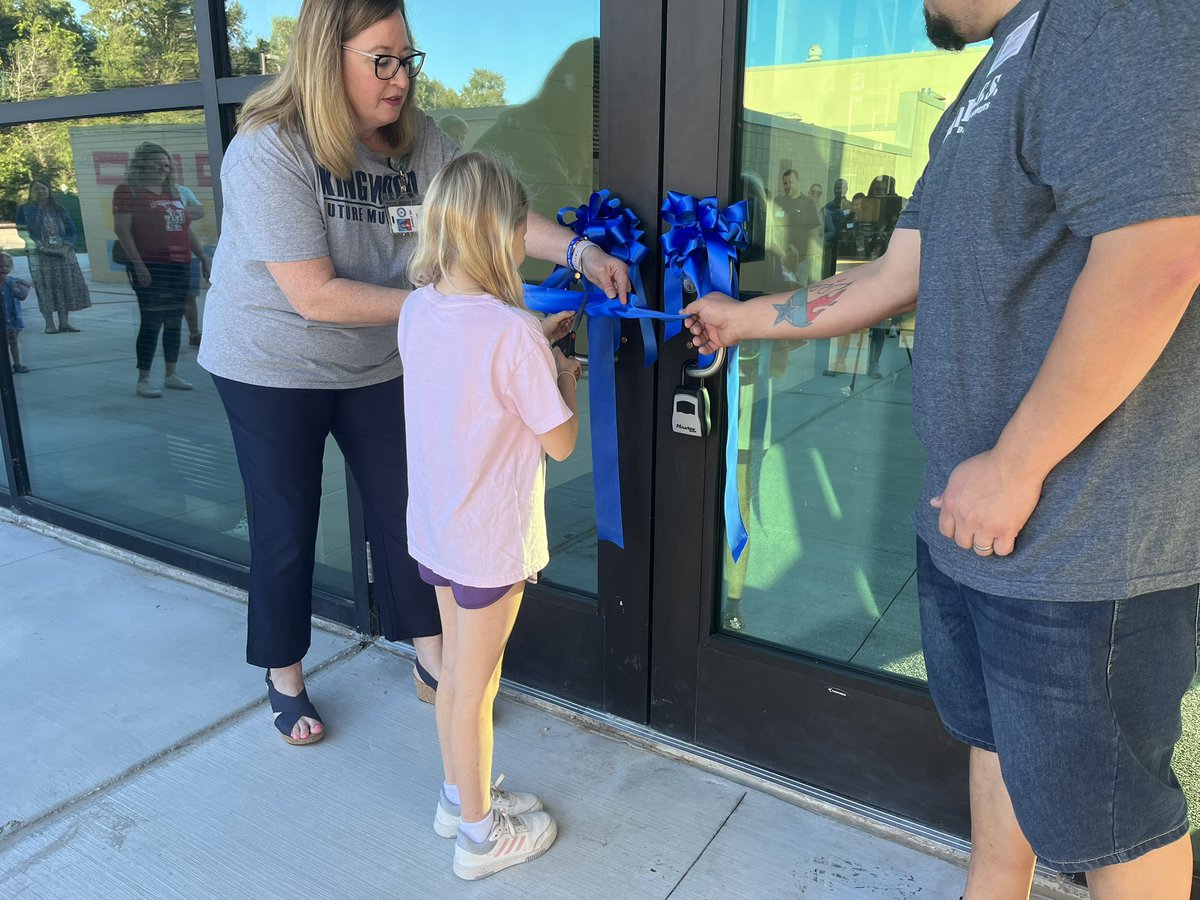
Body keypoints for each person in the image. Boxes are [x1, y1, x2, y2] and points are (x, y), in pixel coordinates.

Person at [684, 0, 1200, 895]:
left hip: (1082, 540)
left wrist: (1016, 463)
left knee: (1115, 822)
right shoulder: (987, 80)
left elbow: (1159, 254)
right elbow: (890, 278)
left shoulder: (1113, 18)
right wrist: (745, 320)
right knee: (995, 742)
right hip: (972, 524)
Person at [197, 0, 630, 746]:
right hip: (270, 364)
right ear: (327, 57)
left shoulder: (419, 143)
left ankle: (433, 660)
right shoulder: (271, 149)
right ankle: (284, 674)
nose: (400, 80)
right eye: (382, 61)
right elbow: (314, 294)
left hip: (377, 360)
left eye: (408, 60)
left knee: (412, 509)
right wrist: (470, 322)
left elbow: (490, 214)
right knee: (286, 526)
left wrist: (580, 252)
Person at [400, 151, 576, 880]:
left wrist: (538, 352)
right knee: (477, 688)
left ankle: (455, 799)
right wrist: (560, 371)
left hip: (438, 532)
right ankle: (478, 839)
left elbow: (469, 389)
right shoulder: (512, 335)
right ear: (500, 236)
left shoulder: (417, 309)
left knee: (456, 678)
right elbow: (560, 442)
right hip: (490, 544)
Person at [114, 142, 210, 398]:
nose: (162, 169)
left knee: (173, 320)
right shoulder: (128, 191)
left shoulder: (172, 192)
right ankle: (144, 378)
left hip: (179, 263)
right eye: (157, 164)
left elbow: (185, 228)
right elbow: (122, 229)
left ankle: (171, 373)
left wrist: (201, 256)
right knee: (152, 320)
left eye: (166, 165)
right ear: (142, 164)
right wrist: (138, 264)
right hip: (150, 264)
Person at [15, 180, 91, 334]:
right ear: (31, 192)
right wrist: (38, 245)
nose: (41, 191)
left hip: (63, 253)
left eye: (43, 188)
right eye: (36, 189)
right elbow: (22, 231)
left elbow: (71, 230)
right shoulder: (25, 209)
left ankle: (64, 323)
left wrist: (66, 247)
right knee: (45, 287)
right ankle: (49, 324)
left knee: (64, 286)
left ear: (49, 190)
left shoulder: (59, 209)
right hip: (40, 255)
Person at [772, 168, 820, 286]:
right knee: (779, 293)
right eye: (785, 183)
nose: (788, 186)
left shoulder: (807, 204)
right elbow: (771, 229)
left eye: (791, 182)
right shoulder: (778, 201)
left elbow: (813, 235)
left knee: (798, 294)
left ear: (798, 182)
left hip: (800, 262)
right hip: (780, 260)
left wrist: (809, 260)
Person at [177, 183, 206, 347]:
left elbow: (199, 212)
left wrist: (202, 256)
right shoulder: (142, 192)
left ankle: (194, 333)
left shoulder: (181, 190)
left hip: (184, 253)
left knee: (190, 297)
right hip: (157, 257)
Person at [0, 251, 31, 373]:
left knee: (13, 342)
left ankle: (17, 364)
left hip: (13, 318)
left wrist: (13, 284)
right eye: (0, 266)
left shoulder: (13, 281)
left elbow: (22, 295)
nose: (3, 269)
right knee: (3, 344)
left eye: (7, 266)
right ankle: (4, 365)